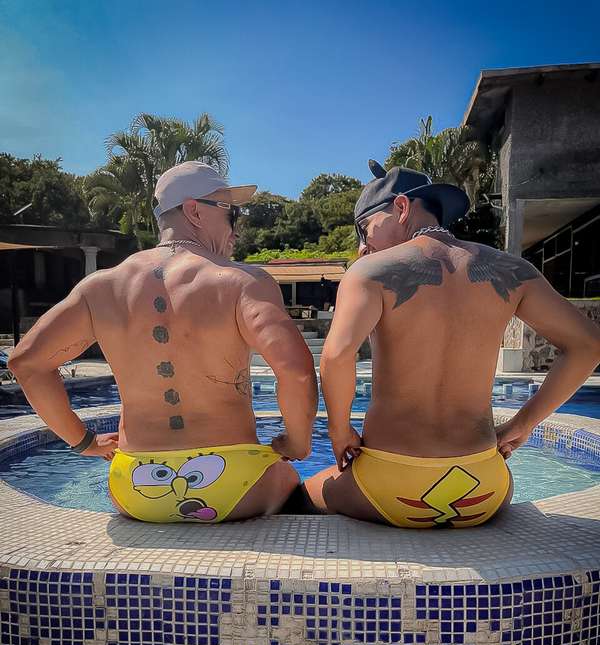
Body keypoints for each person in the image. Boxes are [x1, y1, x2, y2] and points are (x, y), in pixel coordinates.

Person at [9, 161, 318, 523]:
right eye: (231, 213)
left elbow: (26, 363)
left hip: (135, 490)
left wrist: (84, 442)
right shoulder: (242, 282)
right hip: (235, 485)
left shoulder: (100, 288)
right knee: (303, 488)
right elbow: (296, 371)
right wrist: (298, 443)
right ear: (194, 211)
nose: (236, 229)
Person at [303, 160, 600, 528]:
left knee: (298, 493)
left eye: (365, 230)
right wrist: (523, 425)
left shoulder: (369, 272)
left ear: (401, 207)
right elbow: (588, 345)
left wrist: (339, 431)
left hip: (393, 487)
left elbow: (336, 356)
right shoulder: (513, 271)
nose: (363, 247)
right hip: (485, 488)